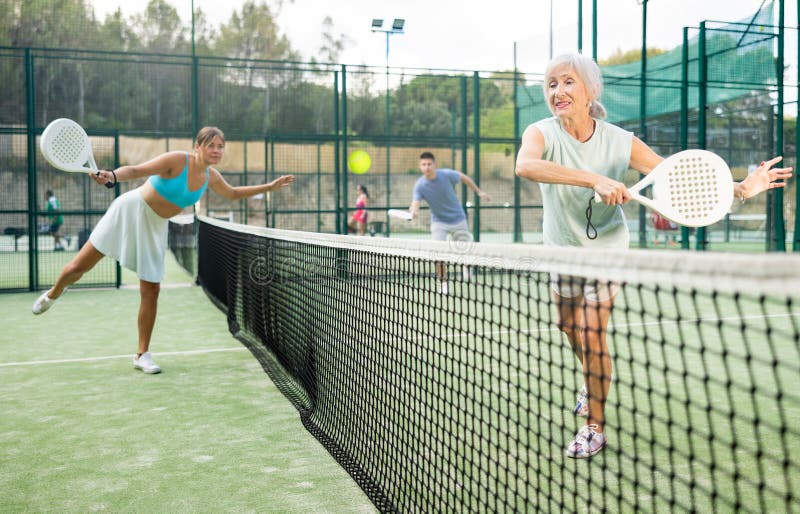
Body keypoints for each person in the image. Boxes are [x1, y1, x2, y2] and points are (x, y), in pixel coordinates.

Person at [514, 53, 792, 459]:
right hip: (561, 252)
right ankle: (590, 381)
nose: (558, 90)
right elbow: (525, 166)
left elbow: (679, 177)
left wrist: (742, 189)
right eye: (552, 83)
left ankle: (594, 426)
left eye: (568, 82)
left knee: (592, 336)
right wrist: (595, 178)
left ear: (591, 90)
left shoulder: (621, 141)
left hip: (608, 250)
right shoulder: (540, 133)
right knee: (566, 325)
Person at [31, 127, 295, 374]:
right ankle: (53, 294)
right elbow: (135, 170)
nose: (217, 150)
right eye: (211, 145)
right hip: (130, 210)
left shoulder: (210, 176)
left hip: (156, 226)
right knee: (79, 267)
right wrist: (111, 176)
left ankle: (141, 354)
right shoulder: (176, 161)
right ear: (197, 147)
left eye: (221, 147)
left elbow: (234, 193)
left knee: (151, 289)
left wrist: (269, 187)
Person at [409, 151, 490, 294]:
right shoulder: (420, 185)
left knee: (465, 249)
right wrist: (414, 211)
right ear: (420, 166)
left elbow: (463, 177)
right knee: (438, 253)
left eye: (429, 164)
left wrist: (479, 192)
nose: (427, 167)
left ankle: (466, 267)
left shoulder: (446, 174)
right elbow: (415, 202)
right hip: (438, 222)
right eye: (423, 164)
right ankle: (443, 283)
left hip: (458, 218)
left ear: (435, 165)